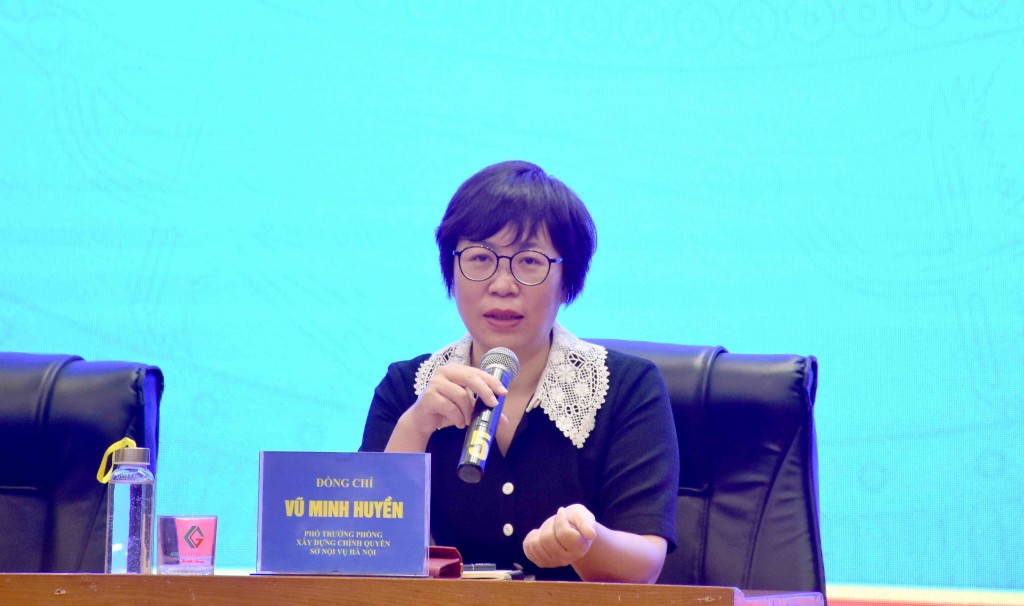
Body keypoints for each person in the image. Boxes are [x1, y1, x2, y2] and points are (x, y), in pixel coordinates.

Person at [359, 160, 679, 583]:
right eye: (479, 258)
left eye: (529, 261)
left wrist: (586, 542)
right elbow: (365, 552)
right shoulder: (407, 388)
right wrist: (415, 428)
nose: (502, 284)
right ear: (451, 271)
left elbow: (645, 565)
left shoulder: (628, 387)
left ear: (567, 279)